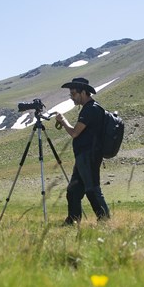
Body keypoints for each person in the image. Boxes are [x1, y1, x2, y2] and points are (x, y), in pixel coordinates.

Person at [54, 77, 110, 224]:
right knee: (73, 191)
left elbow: (74, 133)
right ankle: (72, 221)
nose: (71, 97)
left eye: (73, 94)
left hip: (89, 155)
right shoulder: (90, 108)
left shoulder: (91, 109)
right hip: (83, 156)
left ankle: (104, 220)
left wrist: (63, 121)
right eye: (70, 94)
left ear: (83, 92)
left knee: (92, 189)